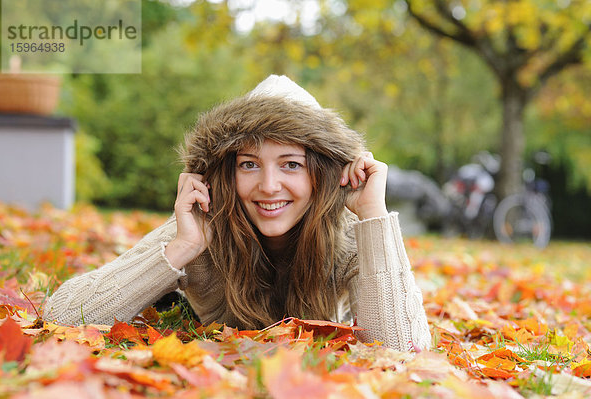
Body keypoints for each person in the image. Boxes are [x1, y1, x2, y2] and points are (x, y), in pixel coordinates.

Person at [43, 75, 431, 351]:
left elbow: (403, 348)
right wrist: (182, 247)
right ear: (226, 174)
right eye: (249, 164)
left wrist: (373, 216)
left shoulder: (348, 236)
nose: (268, 185)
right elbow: (62, 315)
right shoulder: (204, 227)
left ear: (321, 174)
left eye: (291, 165)